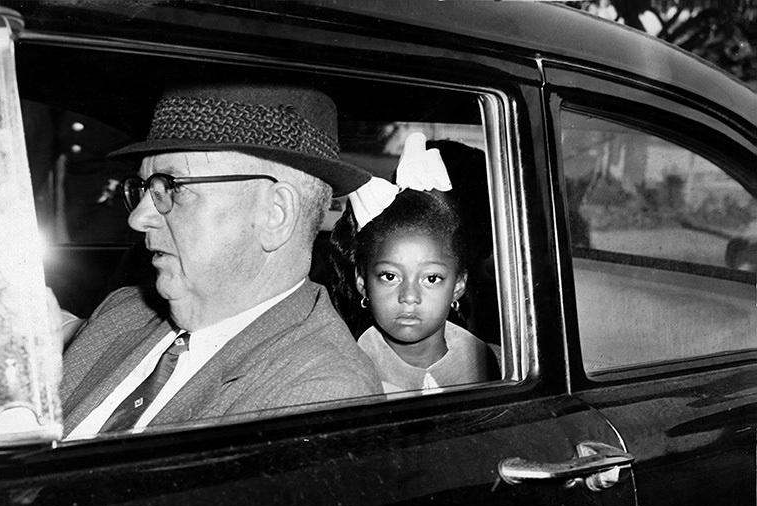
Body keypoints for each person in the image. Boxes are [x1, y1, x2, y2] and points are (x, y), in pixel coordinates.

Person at [61, 82, 382, 439]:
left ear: (275, 214)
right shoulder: (123, 311)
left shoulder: (320, 394)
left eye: (172, 187)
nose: (138, 218)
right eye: (143, 189)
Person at [330, 133, 500, 395]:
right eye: (389, 276)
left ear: (458, 285)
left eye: (431, 278)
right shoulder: (346, 374)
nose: (409, 297)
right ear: (362, 282)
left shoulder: (494, 363)